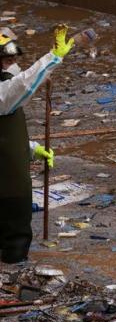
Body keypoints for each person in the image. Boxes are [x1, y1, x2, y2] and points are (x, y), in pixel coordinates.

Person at [0, 24, 73, 264]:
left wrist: (30, 150)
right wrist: (53, 58)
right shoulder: (4, 93)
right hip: (7, 189)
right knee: (15, 248)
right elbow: (23, 86)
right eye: (5, 60)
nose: (10, 65)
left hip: (8, 178)